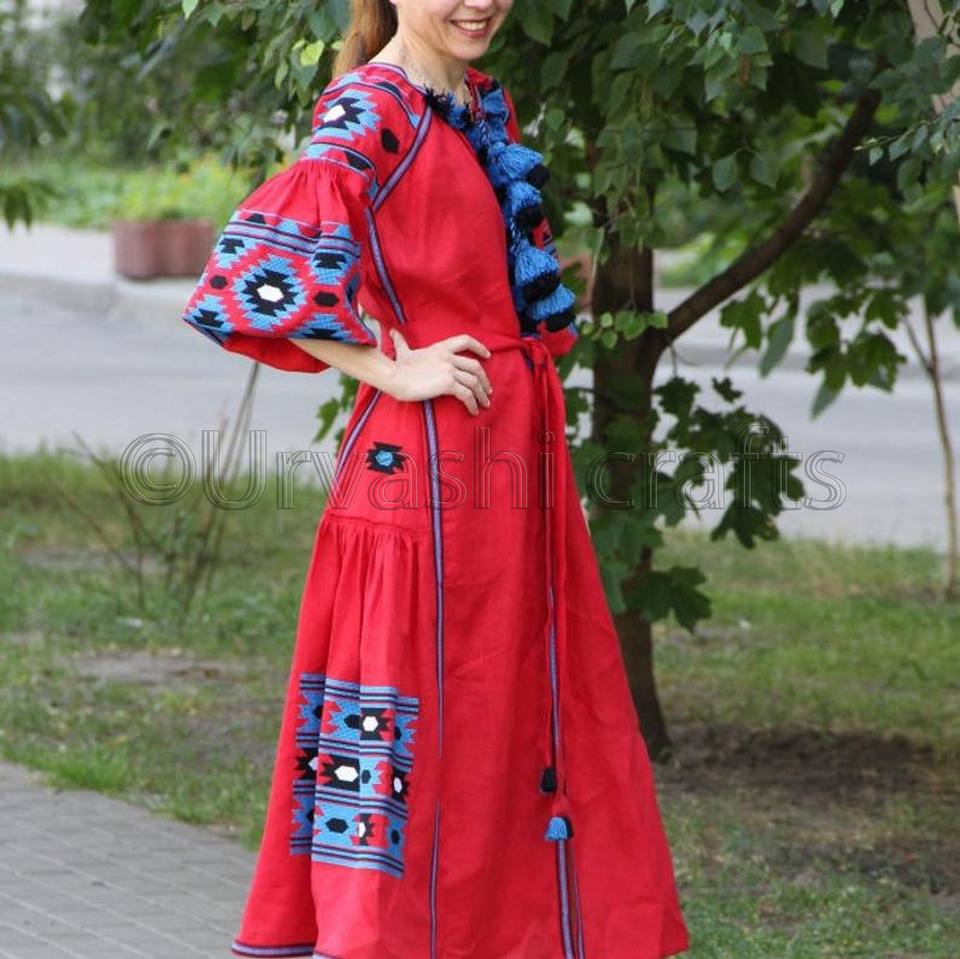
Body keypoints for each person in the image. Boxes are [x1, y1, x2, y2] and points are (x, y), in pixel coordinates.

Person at [180, 1, 691, 956]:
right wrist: (389, 366)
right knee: (417, 724)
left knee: (509, 715)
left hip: (507, 459)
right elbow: (251, 277)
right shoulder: (369, 108)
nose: (477, 1)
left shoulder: (480, 104)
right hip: (424, 471)